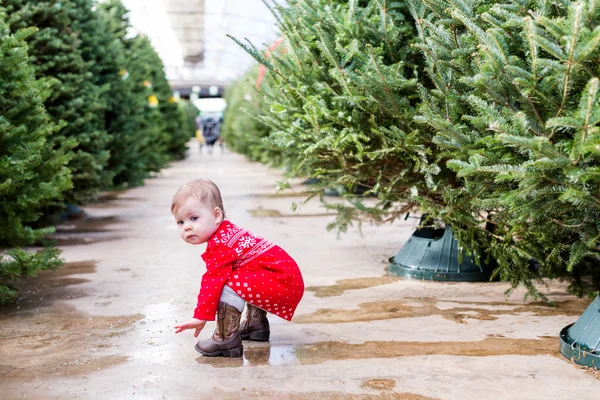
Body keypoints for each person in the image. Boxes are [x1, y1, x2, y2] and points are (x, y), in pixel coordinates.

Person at [171, 179, 304, 357]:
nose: (187, 227)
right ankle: (255, 325)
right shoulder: (225, 234)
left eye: (194, 218)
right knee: (246, 273)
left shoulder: (222, 244)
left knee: (227, 283)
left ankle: (225, 339)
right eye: (180, 222)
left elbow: (212, 282)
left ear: (216, 216)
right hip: (284, 277)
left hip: (282, 281)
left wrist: (200, 316)